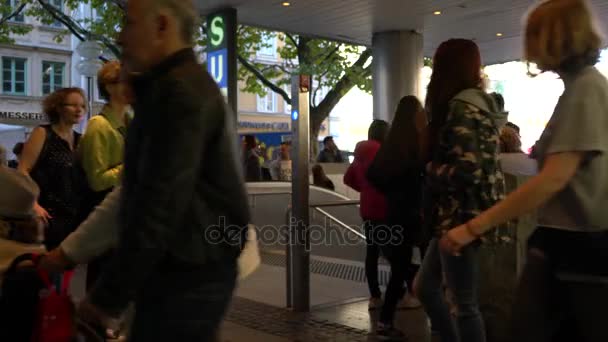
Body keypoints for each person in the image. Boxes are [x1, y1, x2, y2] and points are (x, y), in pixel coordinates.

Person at [76, 0, 250, 340]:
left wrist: (106, 297)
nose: (121, 34)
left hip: (187, 270)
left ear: (161, 26)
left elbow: (159, 204)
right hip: (189, 266)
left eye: (129, 22)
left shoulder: (180, 93)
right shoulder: (175, 87)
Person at [440, 1, 608, 341]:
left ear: (555, 36)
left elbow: (554, 178)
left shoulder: (586, 90)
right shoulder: (581, 88)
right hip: (564, 243)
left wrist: (473, 227)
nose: (527, 46)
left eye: (533, 34)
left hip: (578, 247)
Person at [417, 39, 507, 342]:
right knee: (427, 287)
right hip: (459, 215)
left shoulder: (462, 106)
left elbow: (468, 170)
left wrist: (430, 170)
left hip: (461, 216)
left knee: (464, 304)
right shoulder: (478, 104)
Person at [367, 97, 427, 339]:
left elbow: (373, 175)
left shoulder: (391, 145)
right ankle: (386, 322)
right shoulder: (416, 144)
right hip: (412, 215)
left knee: (401, 268)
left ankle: (385, 321)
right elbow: (419, 176)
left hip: (395, 214)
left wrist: (392, 193)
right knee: (408, 267)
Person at [18, 88, 87, 250]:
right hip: (46, 214)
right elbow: (23, 170)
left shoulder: (80, 140)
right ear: (58, 107)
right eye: (73, 105)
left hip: (72, 215)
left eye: (83, 106)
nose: (79, 110)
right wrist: (33, 204)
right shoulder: (42, 133)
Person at [343, 119, 389, 310]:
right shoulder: (384, 151)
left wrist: (364, 189)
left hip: (367, 209)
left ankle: (375, 296)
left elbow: (348, 178)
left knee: (372, 252)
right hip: (385, 207)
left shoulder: (360, 152)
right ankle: (405, 290)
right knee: (394, 252)